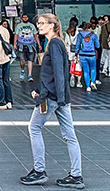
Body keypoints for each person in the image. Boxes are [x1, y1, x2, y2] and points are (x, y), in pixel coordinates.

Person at [22, 13, 84, 189]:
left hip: (53, 97)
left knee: (34, 128)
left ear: (51, 25)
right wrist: (43, 91)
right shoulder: (56, 43)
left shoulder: (54, 43)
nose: (39, 26)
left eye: (42, 23)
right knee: (70, 136)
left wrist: (48, 95)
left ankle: (39, 170)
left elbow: (58, 72)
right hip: (60, 96)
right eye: (38, 23)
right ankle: (76, 175)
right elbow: (54, 74)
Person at [74, 23, 99, 92]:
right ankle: (92, 82)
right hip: (92, 54)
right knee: (93, 69)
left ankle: (88, 87)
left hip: (82, 55)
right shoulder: (93, 35)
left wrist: (76, 53)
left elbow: (77, 45)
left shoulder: (80, 35)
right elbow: (98, 45)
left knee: (85, 71)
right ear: (90, 28)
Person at [14, 13, 38, 82]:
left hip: (30, 44)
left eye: (26, 17)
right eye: (23, 17)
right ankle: (22, 70)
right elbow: (16, 35)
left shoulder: (31, 26)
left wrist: (38, 44)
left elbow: (35, 34)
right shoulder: (19, 26)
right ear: (22, 18)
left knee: (30, 60)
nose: (25, 18)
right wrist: (15, 44)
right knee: (22, 60)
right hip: (21, 44)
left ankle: (30, 75)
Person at [63, 17, 80, 88]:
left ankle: (72, 75)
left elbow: (66, 42)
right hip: (78, 50)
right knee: (79, 65)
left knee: (72, 64)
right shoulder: (79, 31)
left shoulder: (67, 31)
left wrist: (67, 50)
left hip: (70, 50)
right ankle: (78, 81)